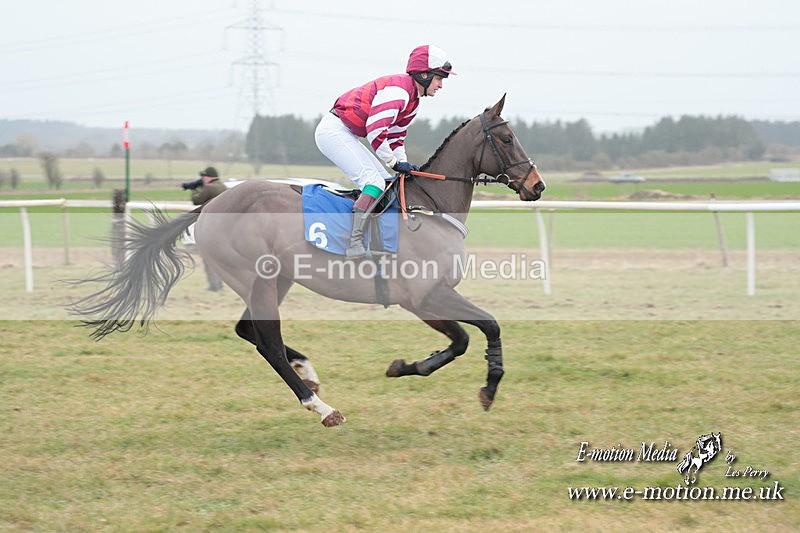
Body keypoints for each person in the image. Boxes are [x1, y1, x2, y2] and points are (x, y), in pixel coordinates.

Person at [315, 44, 456, 258]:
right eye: (439, 78)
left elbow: (396, 137)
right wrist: (393, 162)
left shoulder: (413, 100)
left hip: (348, 133)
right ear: (424, 75)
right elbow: (376, 130)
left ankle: (374, 240)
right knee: (374, 183)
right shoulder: (398, 92)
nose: (441, 85)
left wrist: (403, 163)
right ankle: (353, 244)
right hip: (334, 131)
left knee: (387, 184)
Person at [181, 166, 227, 291]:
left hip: (212, 228)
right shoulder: (223, 186)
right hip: (223, 228)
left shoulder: (209, 187)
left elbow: (196, 200)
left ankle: (214, 286)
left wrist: (194, 188)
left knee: (209, 259)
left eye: (204, 176)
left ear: (209, 177)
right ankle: (218, 285)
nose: (203, 179)